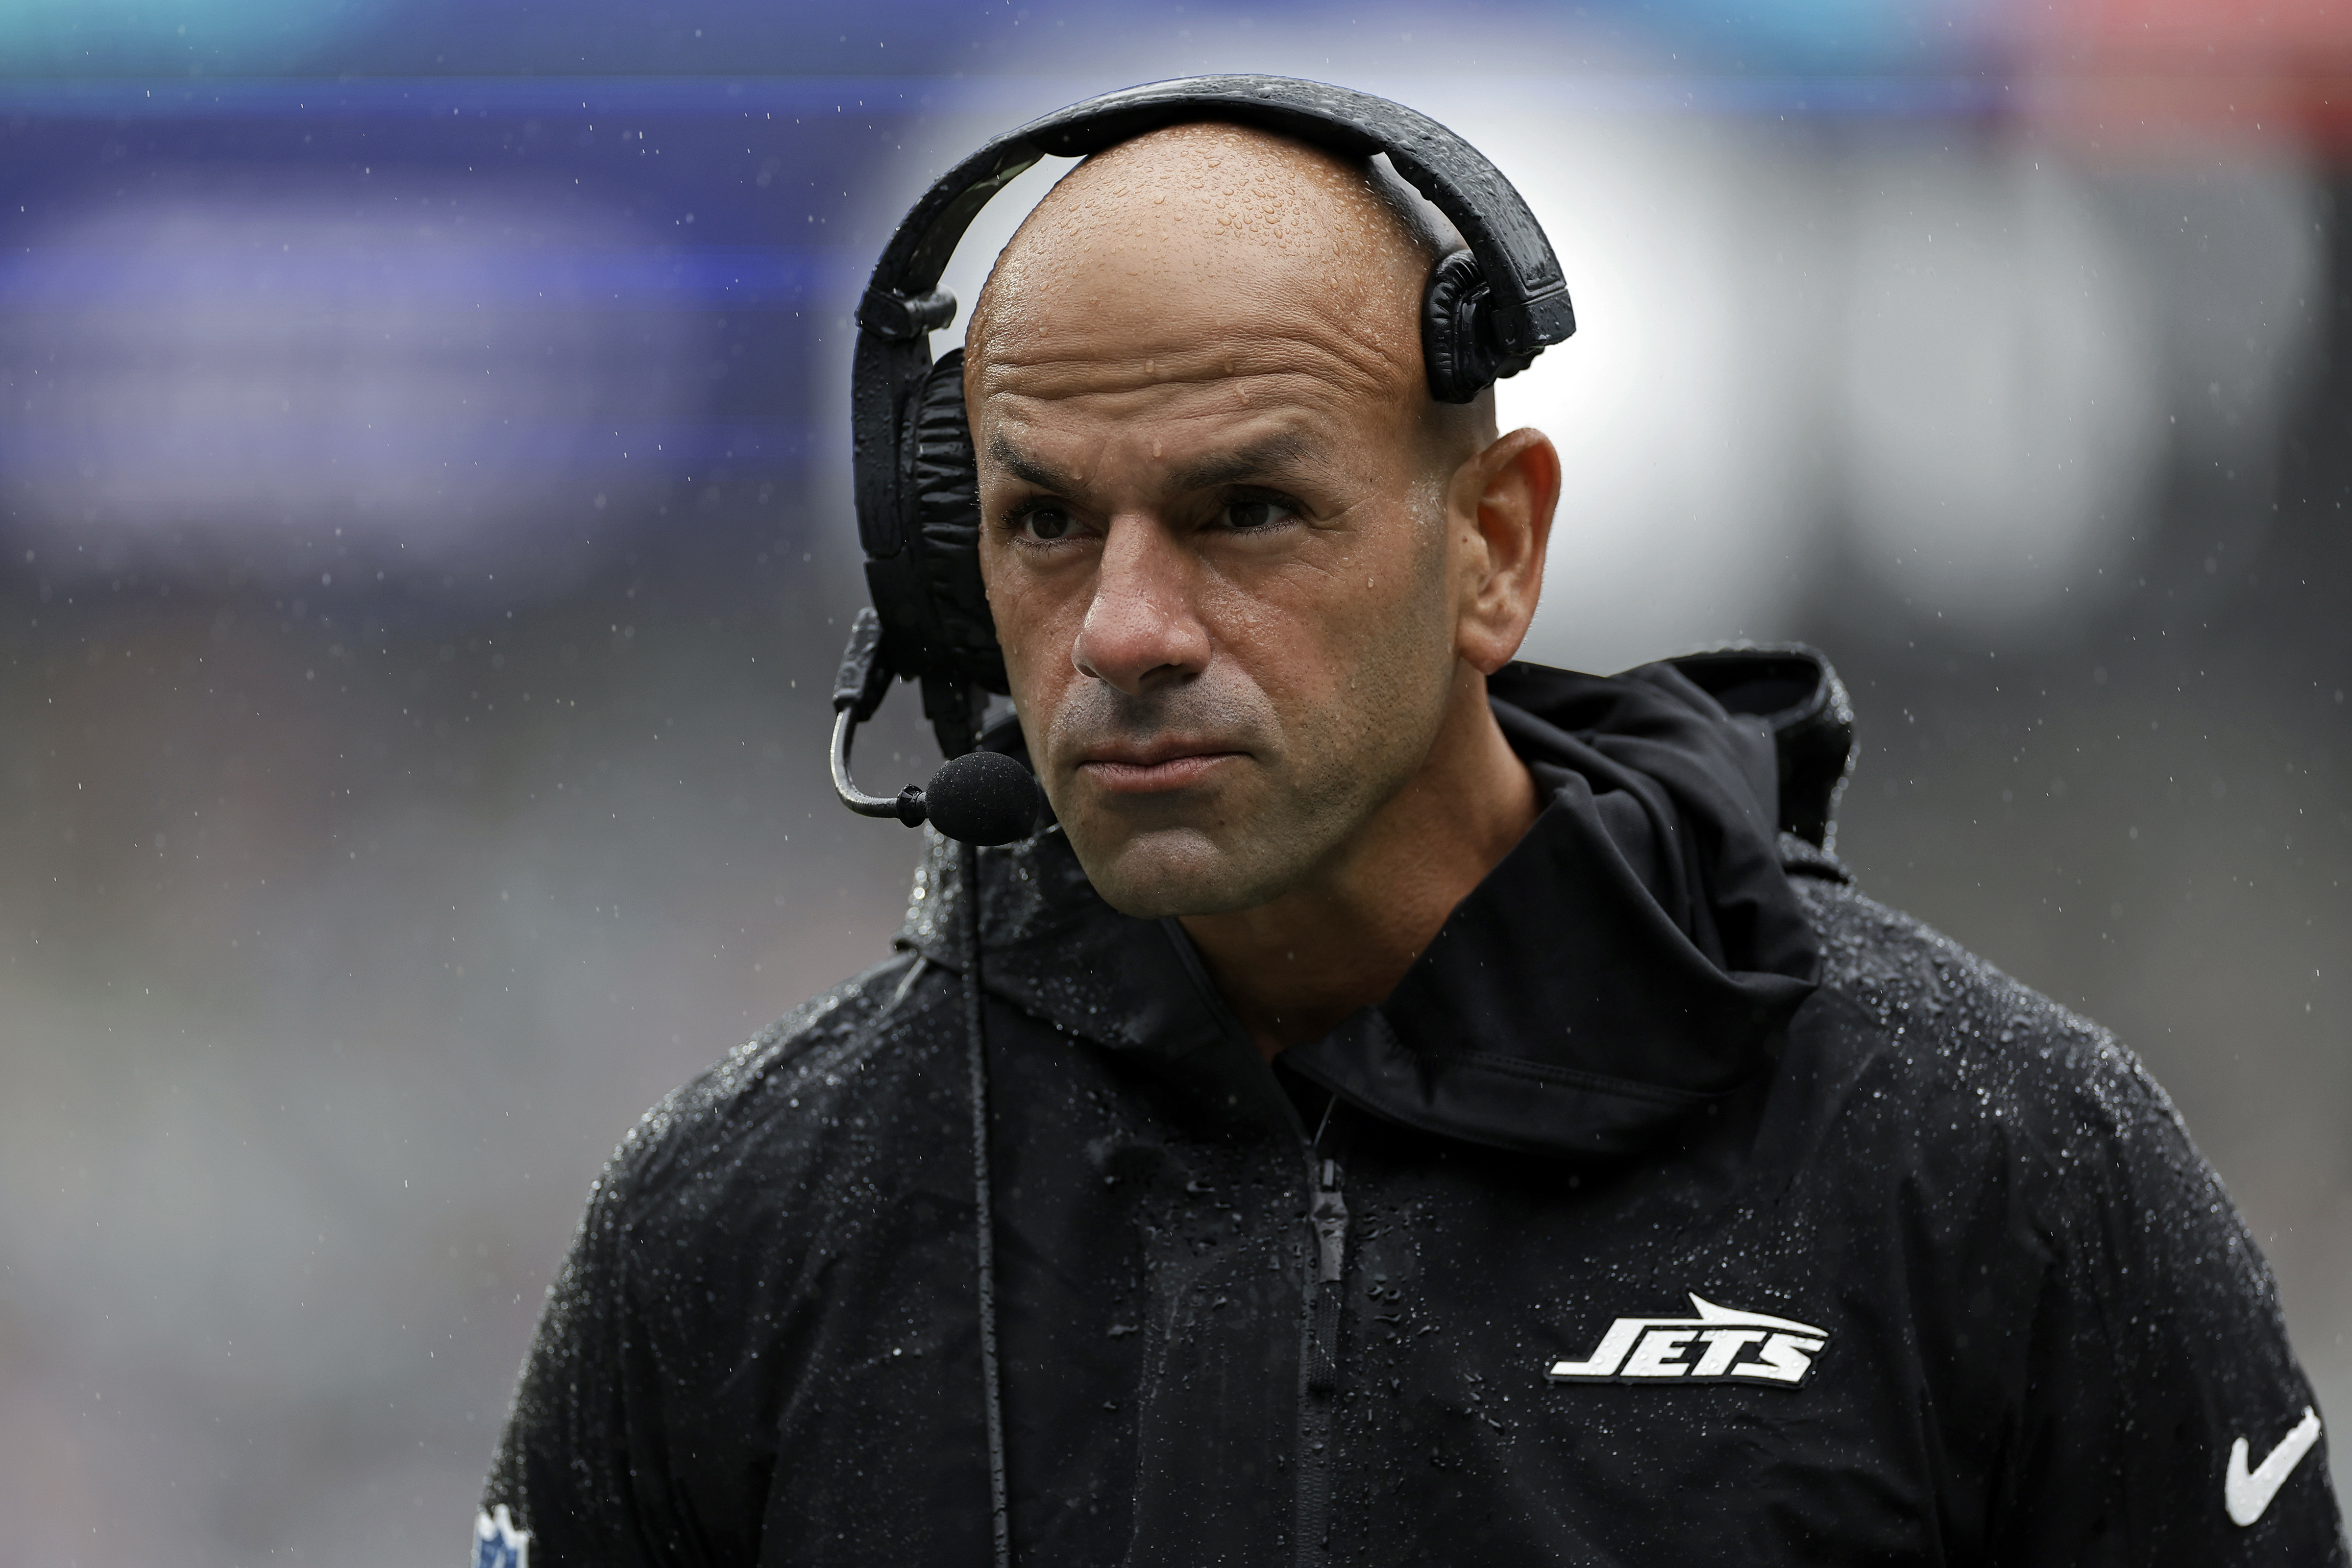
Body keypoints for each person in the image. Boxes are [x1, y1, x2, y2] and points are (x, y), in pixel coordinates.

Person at [479, 89, 2347, 1567]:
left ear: (1495, 545)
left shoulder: (1998, 1171)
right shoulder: (729, 1228)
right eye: (1047, 523)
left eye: (1245, 512)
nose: (1125, 629)